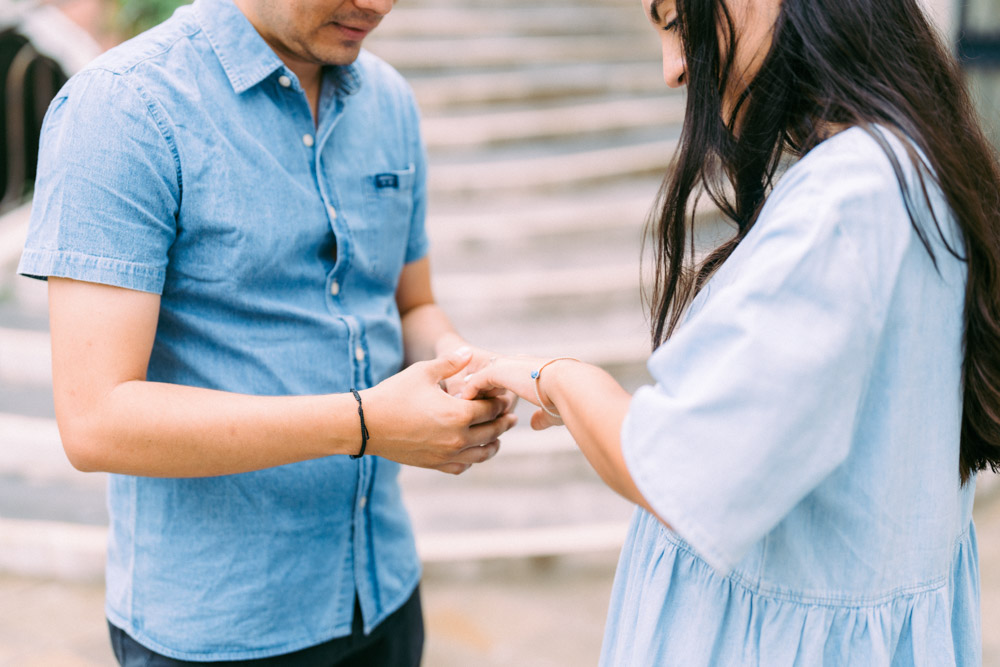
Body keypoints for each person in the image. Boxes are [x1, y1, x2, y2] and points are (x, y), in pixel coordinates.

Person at [462, 0, 1000, 663]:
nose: (672, 68)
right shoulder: (912, 168)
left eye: (673, 22)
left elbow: (675, 470)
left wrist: (562, 379)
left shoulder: (846, 200)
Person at [17, 0, 517, 664]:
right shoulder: (123, 107)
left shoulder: (389, 100)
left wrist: (458, 363)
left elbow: (412, 306)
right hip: (217, 627)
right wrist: (367, 422)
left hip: (385, 594)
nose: (377, 5)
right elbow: (95, 418)